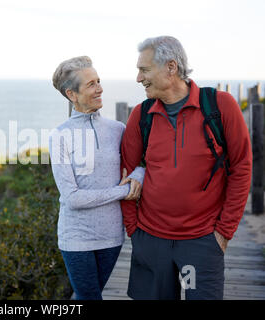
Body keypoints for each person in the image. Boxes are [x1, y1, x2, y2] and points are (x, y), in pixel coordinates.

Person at [121, 36, 252, 300]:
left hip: (202, 242)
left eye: (144, 70)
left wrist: (224, 232)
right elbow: (124, 174)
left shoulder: (220, 106)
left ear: (171, 67)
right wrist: (133, 230)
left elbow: (241, 168)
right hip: (150, 240)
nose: (138, 78)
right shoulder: (140, 115)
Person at [49, 56, 145, 300]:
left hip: (112, 236)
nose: (100, 88)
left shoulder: (118, 129)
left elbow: (145, 163)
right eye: (91, 84)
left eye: (99, 81)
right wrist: (122, 191)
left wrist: (139, 174)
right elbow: (72, 198)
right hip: (76, 238)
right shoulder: (60, 136)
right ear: (72, 94)